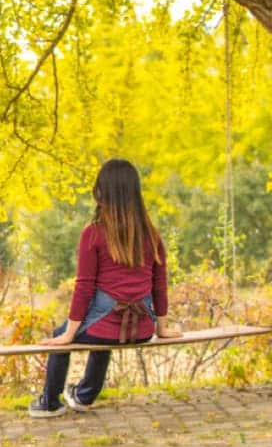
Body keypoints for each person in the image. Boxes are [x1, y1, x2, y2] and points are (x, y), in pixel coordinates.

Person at [28, 158, 182, 418]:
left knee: (64, 334)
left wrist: (69, 333)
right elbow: (160, 284)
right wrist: (162, 328)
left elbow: (85, 288)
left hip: (108, 329)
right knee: (104, 327)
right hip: (142, 329)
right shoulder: (151, 234)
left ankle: (49, 403)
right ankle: (84, 395)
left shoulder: (94, 233)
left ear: (101, 193)